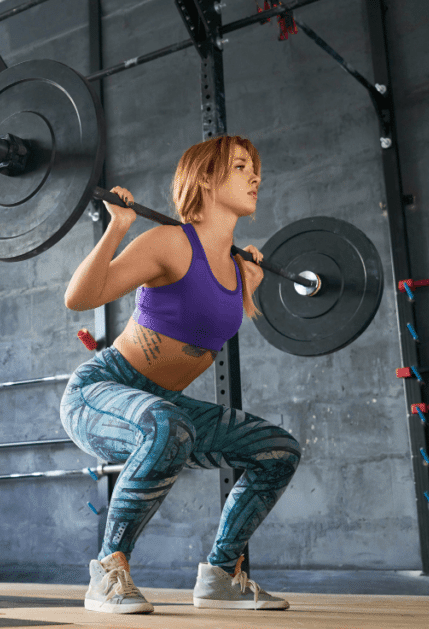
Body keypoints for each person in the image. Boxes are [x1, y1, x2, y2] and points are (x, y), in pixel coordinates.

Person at [61, 135, 301, 614]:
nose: (255, 176)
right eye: (240, 167)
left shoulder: (236, 270)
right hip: (101, 393)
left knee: (278, 450)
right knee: (168, 425)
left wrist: (248, 286)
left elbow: (207, 319)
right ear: (207, 178)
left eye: (255, 167)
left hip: (166, 407)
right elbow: (79, 298)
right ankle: (108, 571)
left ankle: (219, 576)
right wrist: (118, 228)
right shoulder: (169, 241)